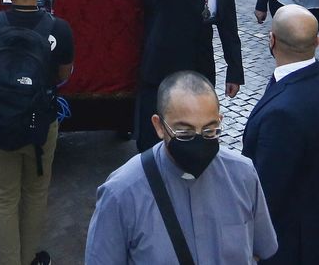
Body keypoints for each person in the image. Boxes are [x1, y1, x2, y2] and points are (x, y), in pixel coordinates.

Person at [85, 70, 277, 264]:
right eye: (185, 133)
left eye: (210, 130)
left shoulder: (242, 174)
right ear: (159, 126)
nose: (199, 143)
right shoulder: (121, 193)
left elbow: (259, 249)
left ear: (220, 121)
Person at [0, 0, 74, 265]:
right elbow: (63, 75)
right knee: (35, 193)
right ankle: (29, 257)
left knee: (3, 197)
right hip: (40, 123)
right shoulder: (59, 28)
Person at [134, 0, 244, 151]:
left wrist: (234, 70)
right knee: (154, 135)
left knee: (199, 128)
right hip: (164, 62)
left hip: (200, 64)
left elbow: (228, 24)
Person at [242, 6, 319, 265]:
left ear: (272, 40)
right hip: (312, 230)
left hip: (284, 244)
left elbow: (267, 193)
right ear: (317, 42)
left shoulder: (281, 114)